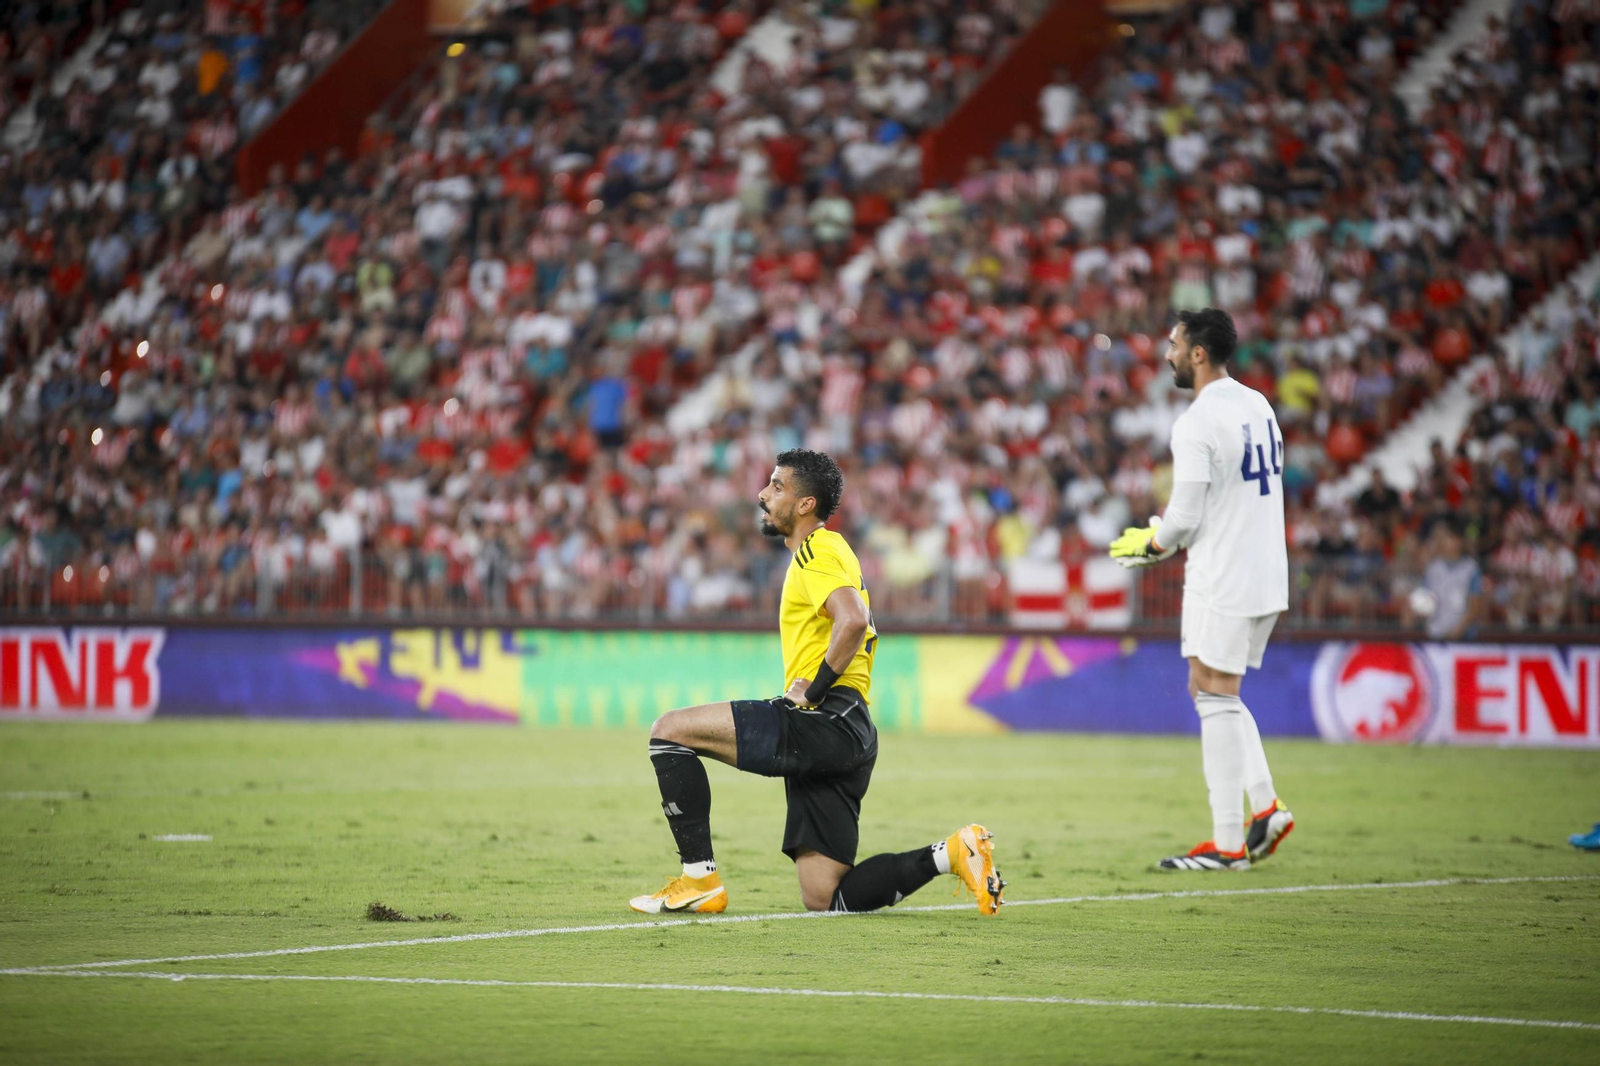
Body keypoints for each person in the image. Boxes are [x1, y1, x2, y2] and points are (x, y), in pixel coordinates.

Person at [631, 449, 1005, 915]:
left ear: (805, 504)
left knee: (669, 732)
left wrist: (812, 691)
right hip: (851, 729)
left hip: (827, 718)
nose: (763, 495)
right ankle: (953, 852)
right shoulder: (824, 553)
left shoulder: (818, 550)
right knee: (825, 897)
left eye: (776, 486)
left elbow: (853, 620)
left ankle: (698, 879)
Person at [1110, 309, 1295, 871]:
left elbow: (1184, 521)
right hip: (1266, 572)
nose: (1166, 354)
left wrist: (1149, 544)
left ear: (1197, 353)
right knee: (1213, 688)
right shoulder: (1258, 403)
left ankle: (1227, 842)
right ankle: (1264, 809)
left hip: (1224, 574)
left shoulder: (1195, 423)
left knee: (1213, 693)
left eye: (1173, 345)